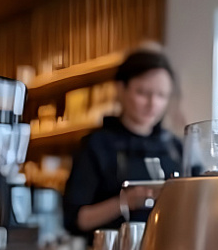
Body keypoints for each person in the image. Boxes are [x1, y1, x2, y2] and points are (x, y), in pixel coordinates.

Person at [63, 48, 184, 237]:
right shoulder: (97, 145)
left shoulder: (175, 147)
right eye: (143, 93)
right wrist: (125, 201)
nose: (152, 104)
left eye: (161, 95)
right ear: (121, 89)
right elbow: (76, 219)